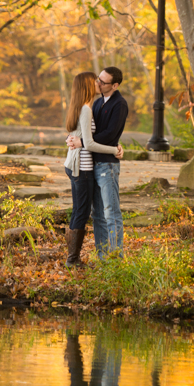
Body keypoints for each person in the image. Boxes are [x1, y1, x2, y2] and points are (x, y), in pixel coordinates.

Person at [62, 72, 123, 267]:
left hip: (73, 165)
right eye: (95, 80)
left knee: (79, 211)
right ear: (88, 85)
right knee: (81, 212)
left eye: (101, 80)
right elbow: (88, 143)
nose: (98, 83)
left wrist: (75, 141)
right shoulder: (87, 109)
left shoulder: (78, 106)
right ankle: (72, 260)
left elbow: (78, 138)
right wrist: (115, 149)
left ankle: (73, 258)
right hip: (82, 167)